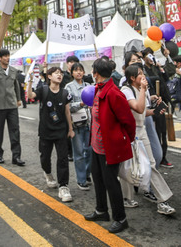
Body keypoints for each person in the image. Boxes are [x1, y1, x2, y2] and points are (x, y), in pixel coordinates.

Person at [83, 57, 136, 234]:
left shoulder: (114, 93)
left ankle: (121, 219)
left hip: (109, 147)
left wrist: (125, 140)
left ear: (96, 73)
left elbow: (128, 121)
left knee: (111, 182)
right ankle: (101, 210)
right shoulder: (99, 89)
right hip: (97, 145)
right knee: (97, 178)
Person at [119, 63, 176, 216]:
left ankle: (161, 200)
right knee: (128, 165)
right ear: (132, 78)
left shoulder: (139, 89)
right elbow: (137, 107)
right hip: (130, 133)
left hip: (141, 131)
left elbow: (143, 112)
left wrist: (156, 111)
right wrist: (144, 90)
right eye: (140, 74)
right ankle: (126, 198)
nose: (143, 76)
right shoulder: (126, 90)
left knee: (150, 164)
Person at [27, 66, 74, 202]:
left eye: (60, 73)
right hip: (45, 131)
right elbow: (30, 96)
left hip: (61, 131)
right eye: (56, 73)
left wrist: (70, 129)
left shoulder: (65, 93)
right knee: (45, 158)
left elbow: (67, 112)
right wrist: (30, 81)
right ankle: (47, 173)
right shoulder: (43, 90)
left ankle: (63, 187)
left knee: (63, 159)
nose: (59, 75)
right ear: (49, 76)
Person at [0, 48, 25, 165]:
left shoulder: (13, 71)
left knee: (15, 130)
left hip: (11, 105)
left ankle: (16, 156)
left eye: (8, 55)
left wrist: (19, 99)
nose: (7, 58)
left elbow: (16, 86)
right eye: (4, 56)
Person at [64, 62, 92, 190]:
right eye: (76, 70)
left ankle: (87, 173)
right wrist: (80, 104)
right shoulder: (68, 87)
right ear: (72, 73)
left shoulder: (89, 86)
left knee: (90, 151)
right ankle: (81, 179)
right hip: (76, 124)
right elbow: (67, 106)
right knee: (79, 152)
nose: (79, 72)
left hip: (89, 123)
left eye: (81, 70)